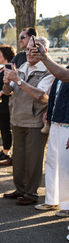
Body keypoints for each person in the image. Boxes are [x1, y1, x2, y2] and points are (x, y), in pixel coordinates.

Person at [1, 37, 54, 206]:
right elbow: (9, 91)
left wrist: (17, 80)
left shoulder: (48, 70)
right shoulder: (23, 66)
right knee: (18, 158)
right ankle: (20, 189)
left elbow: (42, 96)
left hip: (35, 120)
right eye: (27, 49)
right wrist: (6, 83)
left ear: (44, 51)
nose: (29, 53)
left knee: (33, 159)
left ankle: (31, 193)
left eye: (34, 49)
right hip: (17, 119)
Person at [28, 38, 69, 218]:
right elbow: (57, 91)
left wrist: (44, 57)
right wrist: (50, 112)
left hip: (67, 122)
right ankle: (52, 200)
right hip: (56, 120)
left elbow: (63, 77)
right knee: (52, 161)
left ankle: (66, 204)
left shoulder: (63, 71)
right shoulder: (65, 67)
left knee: (65, 166)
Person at [0, 45, 17, 166]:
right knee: (1, 127)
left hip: (5, 103)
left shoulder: (10, 68)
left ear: (5, 56)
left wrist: (1, 93)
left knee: (6, 128)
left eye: (0, 54)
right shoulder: (0, 69)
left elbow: (12, 84)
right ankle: (4, 149)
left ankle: (7, 151)